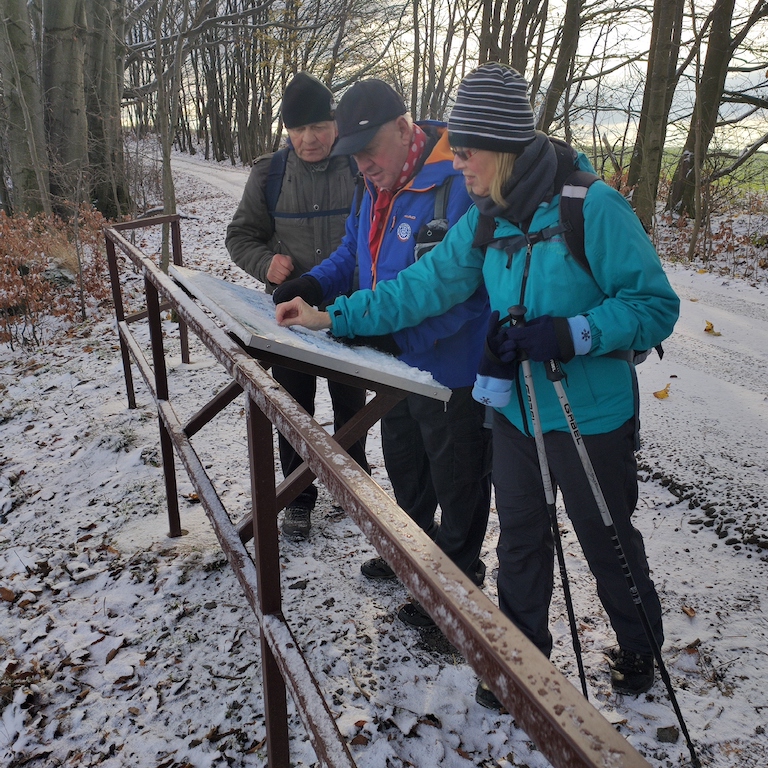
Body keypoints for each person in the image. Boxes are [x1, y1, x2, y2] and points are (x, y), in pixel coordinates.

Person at [275, 63, 680, 705]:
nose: (458, 165)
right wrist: (331, 315)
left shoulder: (591, 206)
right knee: (521, 534)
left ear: (503, 150)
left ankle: (638, 645)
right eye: (455, 153)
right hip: (515, 407)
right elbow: (423, 286)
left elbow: (656, 306)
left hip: (588, 414)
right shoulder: (486, 218)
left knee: (604, 534)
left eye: (466, 153)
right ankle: (519, 662)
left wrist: (571, 332)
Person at [271, 78, 493, 629]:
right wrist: (315, 286)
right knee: (405, 466)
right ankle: (411, 560)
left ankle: (457, 591)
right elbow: (354, 250)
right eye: (356, 157)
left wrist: (396, 339)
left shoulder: (458, 183)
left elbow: (468, 293)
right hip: (391, 364)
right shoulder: (374, 181)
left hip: (451, 372)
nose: (363, 167)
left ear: (404, 128)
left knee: (457, 481)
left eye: (369, 154)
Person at [226, 72, 369, 541]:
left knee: (354, 403)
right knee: (293, 407)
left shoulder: (360, 167)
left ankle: (354, 485)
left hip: (350, 311)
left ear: (335, 123)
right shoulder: (269, 174)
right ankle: (298, 495)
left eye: (319, 126)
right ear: (286, 130)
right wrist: (266, 264)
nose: (309, 139)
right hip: (290, 318)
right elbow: (239, 237)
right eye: (297, 128)